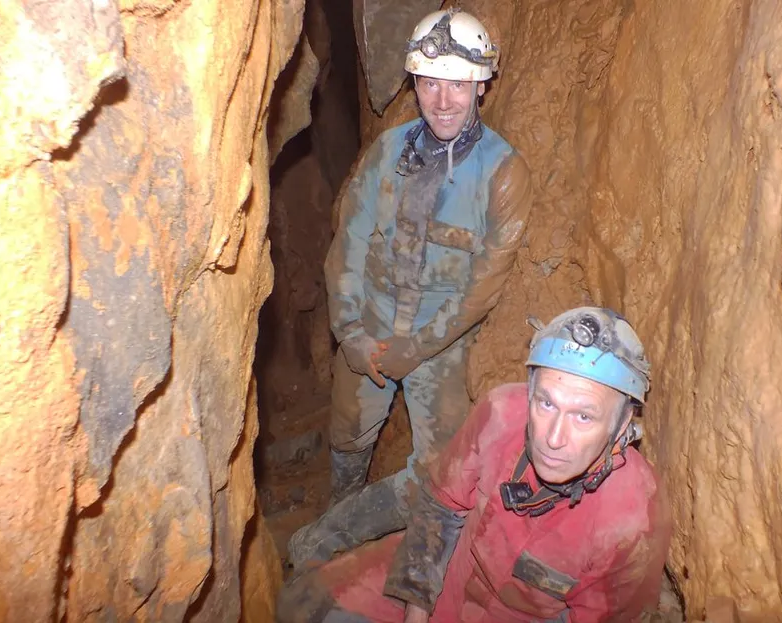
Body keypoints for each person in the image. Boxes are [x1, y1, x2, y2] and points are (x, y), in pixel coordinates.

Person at [287, 8, 532, 567]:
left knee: (439, 473)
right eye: (428, 82)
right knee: (349, 433)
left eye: (457, 84)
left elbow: (484, 286)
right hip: (368, 323)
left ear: (482, 86)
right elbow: (347, 239)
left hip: (440, 344)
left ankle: (328, 539)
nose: (442, 100)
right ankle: (339, 504)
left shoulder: (504, 173)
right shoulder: (386, 152)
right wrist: (349, 331)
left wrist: (417, 347)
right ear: (414, 84)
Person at [279, 307, 673, 623]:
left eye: (583, 417)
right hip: (450, 574)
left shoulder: (633, 520)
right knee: (303, 606)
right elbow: (441, 504)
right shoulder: (500, 413)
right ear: (530, 392)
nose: (554, 437)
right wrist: (417, 603)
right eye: (546, 403)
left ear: (622, 424)